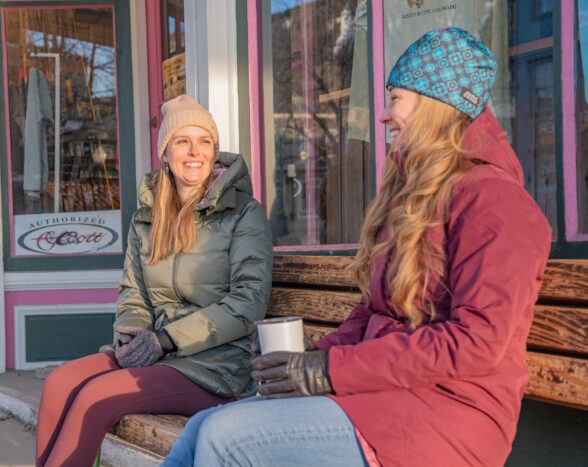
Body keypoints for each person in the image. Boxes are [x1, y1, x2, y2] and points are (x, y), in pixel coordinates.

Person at [161, 28, 552, 467]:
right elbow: (375, 312)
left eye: (396, 98)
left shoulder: (495, 202)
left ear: (436, 106)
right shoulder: (415, 195)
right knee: (201, 428)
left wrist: (330, 372)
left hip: (448, 413)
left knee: (226, 437)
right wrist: (315, 355)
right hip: (388, 395)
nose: (384, 116)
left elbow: (476, 342)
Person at [35, 95, 273, 467]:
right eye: (182, 141)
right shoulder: (148, 216)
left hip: (218, 367)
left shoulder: (243, 212)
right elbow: (134, 289)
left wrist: (165, 340)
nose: (195, 152)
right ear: (165, 152)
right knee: (59, 383)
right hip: (159, 353)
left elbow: (248, 302)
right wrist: (133, 333)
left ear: (215, 149)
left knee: (95, 398)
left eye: (205, 141)